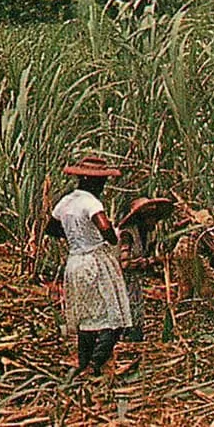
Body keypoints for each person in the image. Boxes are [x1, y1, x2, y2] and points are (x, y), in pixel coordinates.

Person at [46, 156, 132, 377]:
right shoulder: (92, 202)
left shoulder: (65, 202)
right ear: (92, 181)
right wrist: (111, 238)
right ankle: (94, 364)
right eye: (101, 181)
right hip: (95, 259)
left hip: (75, 261)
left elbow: (51, 229)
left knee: (87, 318)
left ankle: (83, 364)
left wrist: (76, 237)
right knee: (115, 319)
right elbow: (105, 228)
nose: (102, 185)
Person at [117, 197, 174, 342]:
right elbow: (125, 264)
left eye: (155, 218)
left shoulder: (147, 235)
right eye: (150, 218)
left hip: (132, 281)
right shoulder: (127, 235)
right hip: (119, 280)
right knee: (125, 309)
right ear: (141, 218)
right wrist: (153, 261)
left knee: (135, 309)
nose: (154, 222)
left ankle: (134, 337)